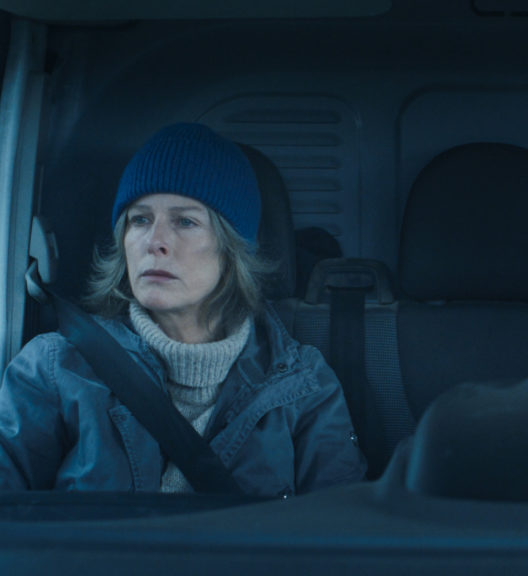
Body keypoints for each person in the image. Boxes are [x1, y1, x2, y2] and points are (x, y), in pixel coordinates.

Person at [0, 123, 366, 495]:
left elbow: (339, 525)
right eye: (140, 219)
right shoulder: (54, 369)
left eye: (186, 221)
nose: (154, 241)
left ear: (233, 248)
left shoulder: (304, 386)